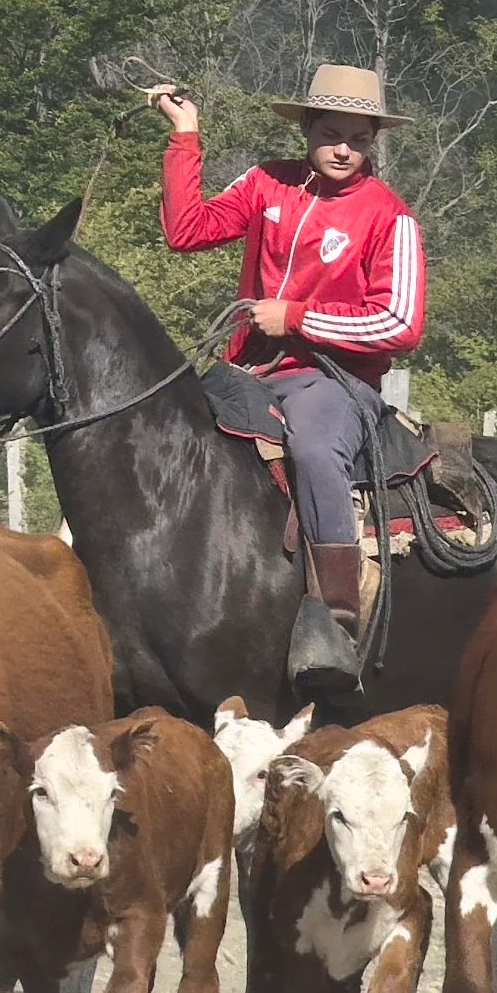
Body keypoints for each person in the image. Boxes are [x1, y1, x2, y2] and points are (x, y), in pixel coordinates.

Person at [154, 65, 427, 698]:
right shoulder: (265, 182)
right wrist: (185, 135)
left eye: (357, 139)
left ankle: (335, 623)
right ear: (307, 129)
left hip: (335, 382)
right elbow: (185, 230)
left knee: (312, 450)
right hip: (246, 372)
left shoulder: (391, 218)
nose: (342, 149)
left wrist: (297, 317)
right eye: (331, 132)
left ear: (372, 143)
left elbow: (401, 323)